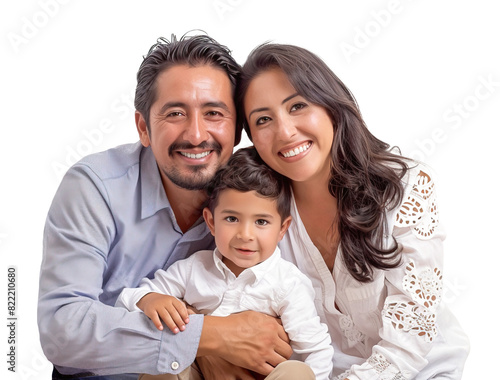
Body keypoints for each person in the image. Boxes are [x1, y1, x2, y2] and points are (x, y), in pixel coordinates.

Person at [37, 34, 293, 380]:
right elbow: (63, 329)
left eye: (214, 113)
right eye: (175, 113)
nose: (197, 134)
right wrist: (213, 334)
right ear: (144, 127)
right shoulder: (94, 186)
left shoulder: (260, 200)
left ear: (236, 131)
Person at [236, 43, 470, 379]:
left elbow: (410, 340)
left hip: (423, 371)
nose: (285, 132)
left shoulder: (405, 188)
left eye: (298, 105)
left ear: (331, 105)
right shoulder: (262, 211)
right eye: (263, 120)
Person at [116, 146, 333, 380]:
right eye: (231, 219)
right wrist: (150, 299)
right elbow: (128, 298)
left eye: (261, 221)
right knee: (165, 361)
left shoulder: (288, 283)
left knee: (297, 372)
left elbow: (317, 351)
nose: (245, 234)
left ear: (282, 229)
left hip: (260, 376)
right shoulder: (194, 267)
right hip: (200, 373)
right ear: (211, 221)